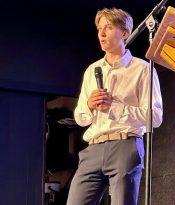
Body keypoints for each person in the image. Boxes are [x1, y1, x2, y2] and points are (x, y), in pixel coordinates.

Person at [66, 7, 163, 205]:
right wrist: (90, 106)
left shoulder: (142, 69)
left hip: (125, 146)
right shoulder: (92, 70)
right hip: (93, 149)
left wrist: (115, 107)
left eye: (108, 28)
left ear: (125, 33)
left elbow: (155, 117)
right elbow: (80, 117)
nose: (101, 33)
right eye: (99, 28)